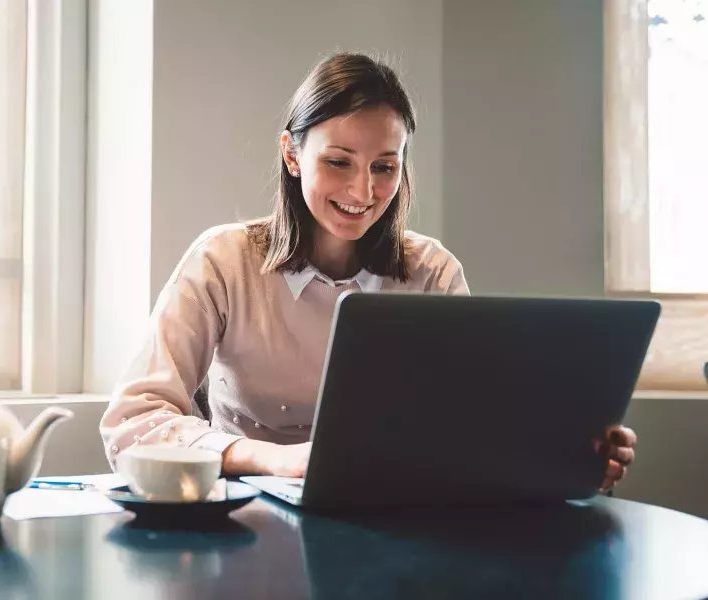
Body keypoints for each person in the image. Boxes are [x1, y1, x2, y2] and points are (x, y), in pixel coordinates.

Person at [99, 52, 636, 492]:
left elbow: (477, 428)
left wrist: (569, 452)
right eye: (339, 162)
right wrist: (273, 460)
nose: (364, 192)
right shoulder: (222, 260)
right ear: (292, 154)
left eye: (385, 166)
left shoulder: (432, 273)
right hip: (247, 516)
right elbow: (132, 422)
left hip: (398, 518)